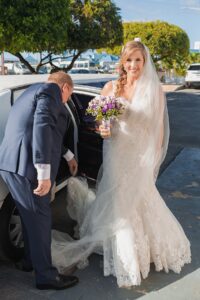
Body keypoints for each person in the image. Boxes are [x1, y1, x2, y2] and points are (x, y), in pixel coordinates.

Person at [51, 41, 191, 288]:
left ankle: (148, 249)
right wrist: (103, 129)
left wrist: (154, 160)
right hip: (115, 151)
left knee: (142, 198)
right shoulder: (110, 87)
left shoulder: (154, 91)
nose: (133, 65)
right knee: (118, 202)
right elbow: (99, 123)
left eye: (138, 60)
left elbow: (158, 130)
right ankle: (125, 257)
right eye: (129, 60)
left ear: (145, 61)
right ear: (122, 62)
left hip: (139, 155)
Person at [0, 71, 79, 290]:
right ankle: (46, 276)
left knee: (28, 216)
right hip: (28, 168)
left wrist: (67, 154)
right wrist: (44, 174)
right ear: (64, 87)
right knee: (42, 221)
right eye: (69, 96)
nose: (67, 101)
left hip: (9, 164)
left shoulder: (29, 92)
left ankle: (28, 261)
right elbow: (42, 127)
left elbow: (39, 129)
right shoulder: (50, 91)